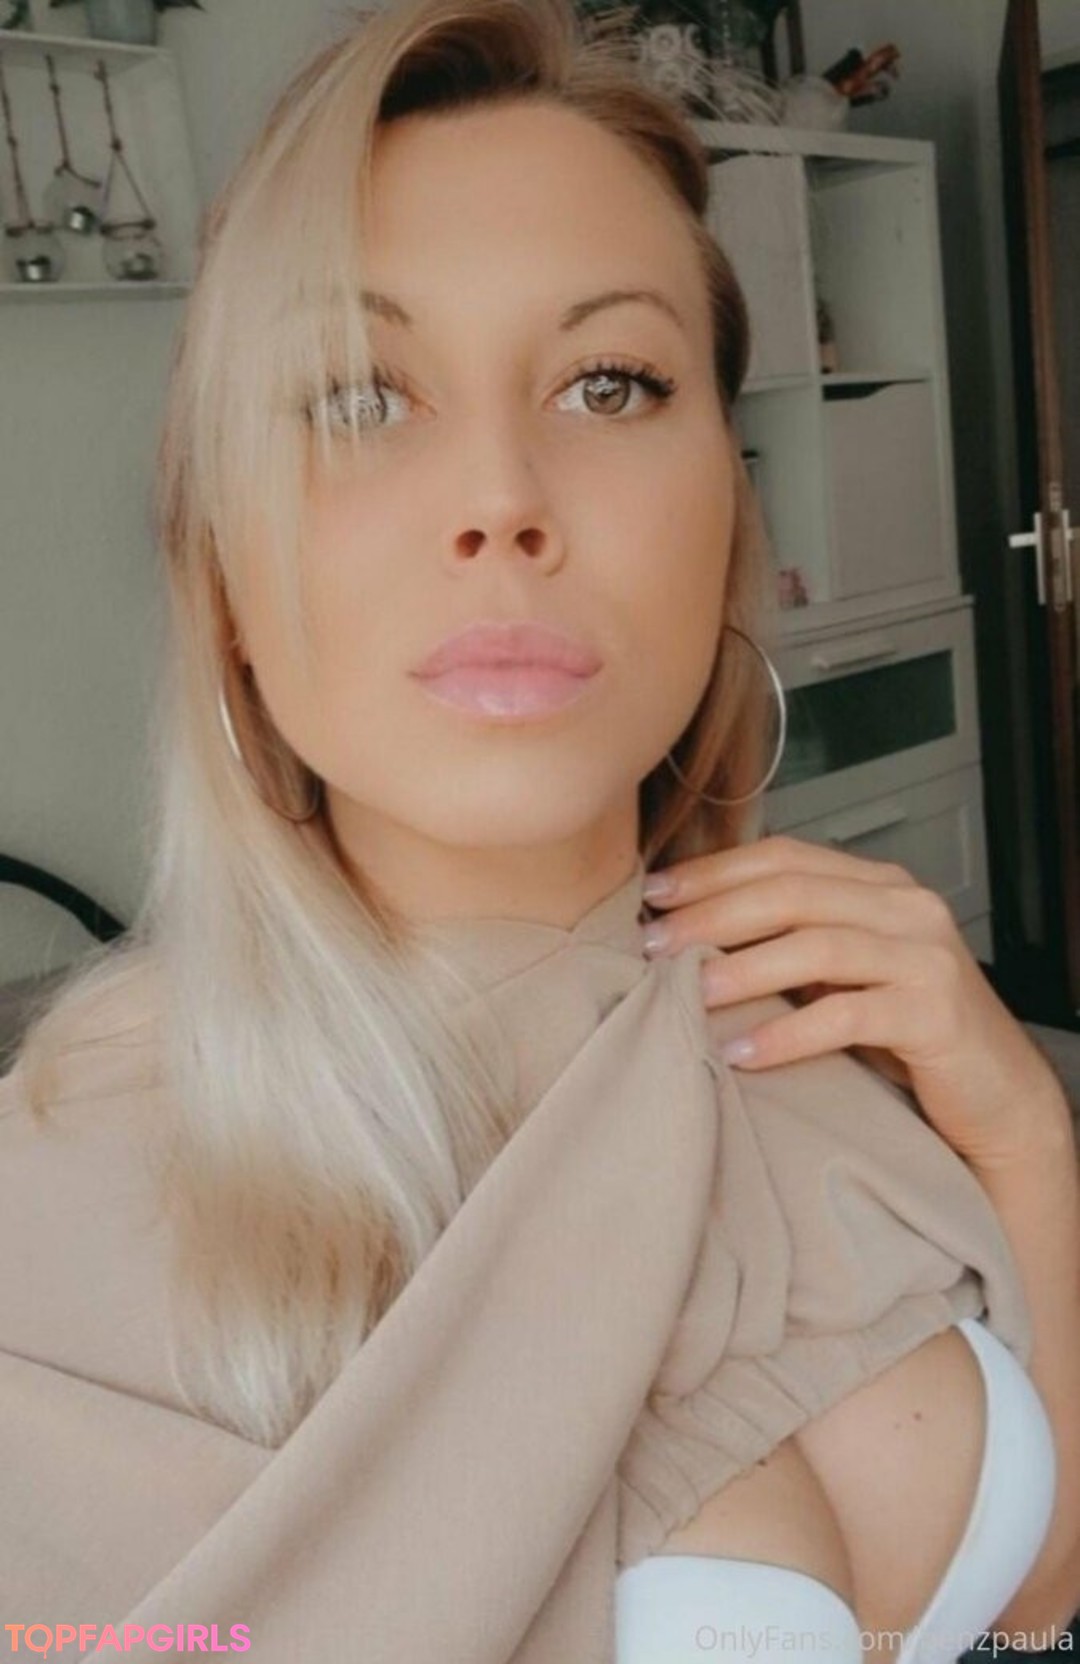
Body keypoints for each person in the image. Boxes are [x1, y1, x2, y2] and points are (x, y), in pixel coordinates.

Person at [1, 0, 1078, 1658]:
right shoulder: (70, 1196)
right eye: (361, 399)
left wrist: (1023, 1136)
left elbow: (1039, 1596)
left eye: (608, 382)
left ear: (727, 504)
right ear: (224, 580)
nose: (501, 498)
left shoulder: (814, 1032)